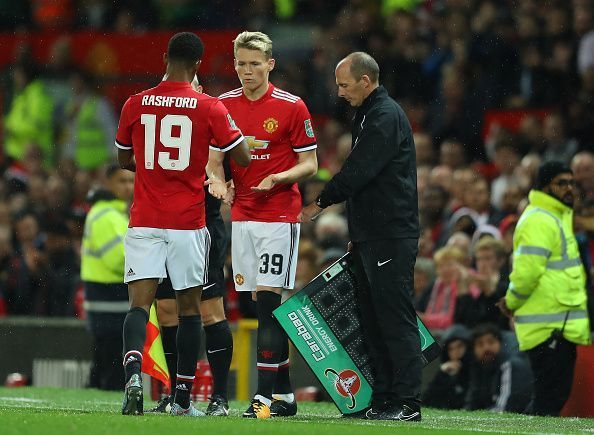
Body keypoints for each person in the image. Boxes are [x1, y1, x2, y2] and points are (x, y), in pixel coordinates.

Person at [115, 32, 247, 417]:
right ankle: (185, 397)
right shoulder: (208, 107)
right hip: (188, 223)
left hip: (145, 219)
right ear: (198, 66)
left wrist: (154, 170)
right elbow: (242, 154)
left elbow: (124, 159)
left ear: (165, 58)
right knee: (192, 310)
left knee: (140, 307)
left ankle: (133, 373)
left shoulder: (135, 103)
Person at [300, 52, 422, 421]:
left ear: (365, 81)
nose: (339, 92)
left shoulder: (384, 115)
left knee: (394, 318)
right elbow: (369, 180)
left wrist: (320, 201)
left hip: (391, 234)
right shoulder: (369, 113)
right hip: (374, 234)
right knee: (372, 319)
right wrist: (361, 233)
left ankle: (408, 404)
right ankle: (384, 398)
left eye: (344, 84)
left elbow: (361, 169)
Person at [219, 31, 318, 419]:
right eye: (241, 64)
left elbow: (310, 163)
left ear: (270, 65)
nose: (247, 71)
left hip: (278, 215)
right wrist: (218, 179)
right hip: (242, 215)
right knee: (253, 305)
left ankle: (261, 400)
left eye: (255, 64)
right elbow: (215, 157)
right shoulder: (224, 104)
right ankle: (286, 397)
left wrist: (280, 178)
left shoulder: (292, 107)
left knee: (268, 305)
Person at [147, 75, 249, 416]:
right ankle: (179, 394)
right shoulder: (160, 121)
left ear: (199, 90)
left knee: (209, 311)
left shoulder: (211, 116)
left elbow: (229, 165)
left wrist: (222, 183)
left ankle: (219, 397)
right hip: (163, 225)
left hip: (202, 225)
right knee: (166, 310)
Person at [498, 161, 591, 416]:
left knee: (551, 397)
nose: (569, 188)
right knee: (549, 398)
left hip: (560, 323)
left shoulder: (555, 217)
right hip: (548, 326)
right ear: (544, 186)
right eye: (561, 183)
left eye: (572, 183)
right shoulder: (539, 219)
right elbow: (527, 273)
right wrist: (512, 301)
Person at [81, 164, 134, 390]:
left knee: (105, 351)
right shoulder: (106, 215)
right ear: (108, 183)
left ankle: (95, 387)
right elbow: (118, 260)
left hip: (105, 294)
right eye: (122, 181)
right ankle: (102, 388)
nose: (128, 187)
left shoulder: (112, 213)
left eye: (131, 181)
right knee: (111, 352)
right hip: (107, 295)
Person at [464, 323, 532, 413]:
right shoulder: (478, 368)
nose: (486, 348)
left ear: (500, 343)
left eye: (491, 342)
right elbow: (471, 405)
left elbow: (504, 409)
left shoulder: (511, 365)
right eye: (480, 344)